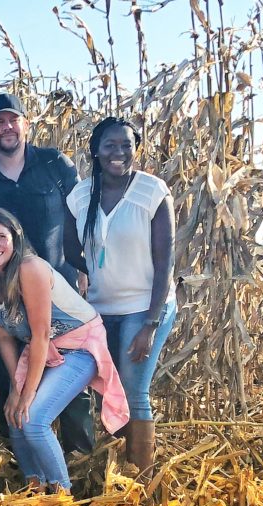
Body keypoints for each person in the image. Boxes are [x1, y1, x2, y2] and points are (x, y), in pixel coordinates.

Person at [0, 93, 94, 455]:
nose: (7, 127)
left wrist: (82, 268)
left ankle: (79, 458)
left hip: (56, 290)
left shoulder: (54, 163)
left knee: (69, 381)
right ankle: (24, 460)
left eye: (13, 120)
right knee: (11, 379)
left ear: (25, 124)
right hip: (3, 297)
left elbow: (82, 216)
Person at [0, 207, 128, 492]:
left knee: (33, 420)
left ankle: (61, 496)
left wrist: (27, 393)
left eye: (1, 237)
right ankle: (36, 488)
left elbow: (41, 333)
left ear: (15, 239)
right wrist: (15, 390)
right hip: (44, 349)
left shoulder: (29, 268)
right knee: (15, 417)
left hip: (79, 346)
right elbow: (5, 339)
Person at [64, 116, 177, 479]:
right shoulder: (81, 195)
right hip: (101, 310)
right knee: (108, 390)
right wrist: (100, 269)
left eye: (127, 145)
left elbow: (165, 265)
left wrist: (150, 324)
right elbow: (68, 249)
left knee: (133, 388)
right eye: (110, 145)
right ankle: (119, 472)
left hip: (144, 308)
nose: (119, 152)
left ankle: (141, 482)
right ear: (96, 151)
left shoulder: (152, 192)